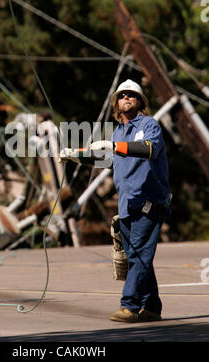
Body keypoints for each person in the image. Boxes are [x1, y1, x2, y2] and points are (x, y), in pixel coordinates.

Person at [60, 79, 171, 323]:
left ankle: (129, 305)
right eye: (122, 95)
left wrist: (113, 145)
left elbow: (149, 149)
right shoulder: (119, 132)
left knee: (140, 255)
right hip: (128, 204)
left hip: (150, 202)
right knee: (137, 257)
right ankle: (151, 307)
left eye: (132, 95)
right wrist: (78, 156)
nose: (127, 98)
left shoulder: (149, 125)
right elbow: (111, 160)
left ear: (140, 101)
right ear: (116, 103)